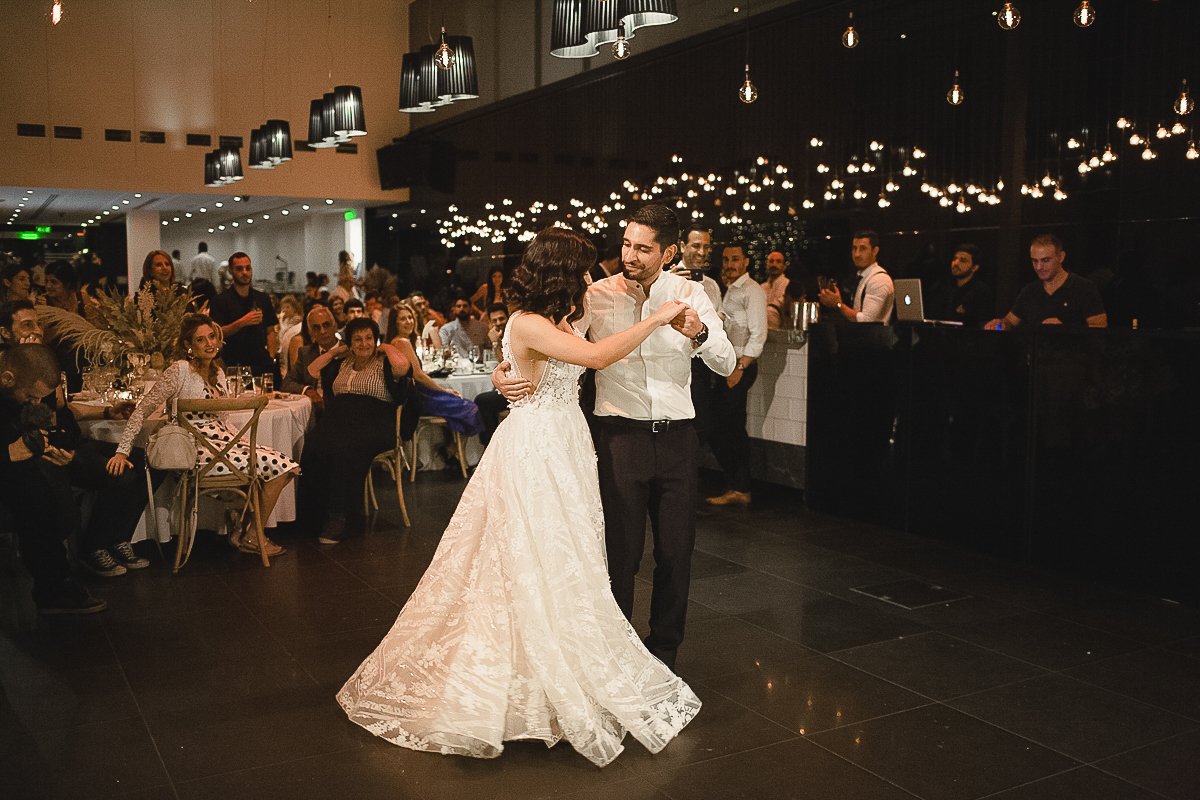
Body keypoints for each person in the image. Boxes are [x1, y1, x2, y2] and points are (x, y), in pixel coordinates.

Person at [337, 226, 702, 766]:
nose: (589, 278)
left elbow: (559, 354)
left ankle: (546, 673)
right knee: (528, 560)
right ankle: (517, 681)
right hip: (537, 450)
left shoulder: (558, 319)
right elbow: (597, 358)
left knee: (564, 559)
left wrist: (505, 370)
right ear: (560, 274)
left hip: (566, 443)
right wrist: (654, 317)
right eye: (580, 270)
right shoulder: (530, 322)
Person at [496, 204, 735, 670]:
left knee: (675, 553)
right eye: (626, 243)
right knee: (617, 553)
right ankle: (617, 651)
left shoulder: (691, 294)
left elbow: (726, 363)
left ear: (668, 253)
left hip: (676, 439)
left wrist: (700, 331)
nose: (630, 255)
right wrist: (501, 373)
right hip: (617, 437)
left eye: (643, 248)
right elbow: (549, 339)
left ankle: (664, 649)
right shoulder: (596, 294)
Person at [107, 314, 299, 557]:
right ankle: (250, 532)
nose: (210, 344)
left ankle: (244, 525)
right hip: (193, 452)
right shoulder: (179, 370)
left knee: (286, 468)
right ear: (189, 345)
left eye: (212, 337)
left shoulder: (218, 372)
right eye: (201, 340)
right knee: (281, 468)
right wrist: (122, 451)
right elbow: (142, 409)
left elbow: (222, 420)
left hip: (222, 444)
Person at [0, 344, 106, 613]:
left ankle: (58, 584)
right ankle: (55, 586)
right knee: (34, 495)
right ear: (7, 379)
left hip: (25, 470)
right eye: (30, 397)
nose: (36, 402)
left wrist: (63, 450)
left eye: (41, 398)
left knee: (45, 490)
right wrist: (8, 453)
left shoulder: (37, 391)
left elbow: (61, 425)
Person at [301, 317, 412, 544]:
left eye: (369, 338)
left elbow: (403, 366)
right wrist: (334, 352)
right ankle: (312, 518)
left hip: (375, 424)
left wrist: (386, 346)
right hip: (340, 422)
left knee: (346, 449)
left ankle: (339, 518)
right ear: (350, 343)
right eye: (358, 339)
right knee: (314, 444)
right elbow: (311, 370)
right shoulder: (342, 362)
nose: (364, 344)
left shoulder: (385, 362)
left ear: (376, 340)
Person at [706, 241, 768, 506]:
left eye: (735, 260)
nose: (730, 264)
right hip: (727, 365)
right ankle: (736, 485)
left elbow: (759, 333)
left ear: (746, 263)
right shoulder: (730, 289)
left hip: (740, 366)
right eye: (726, 259)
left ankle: (740, 487)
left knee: (730, 428)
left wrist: (740, 367)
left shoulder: (752, 291)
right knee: (722, 428)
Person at [986, 234, 1108, 329]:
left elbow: (1099, 327)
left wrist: (1064, 330)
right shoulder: (1030, 291)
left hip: (1073, 358)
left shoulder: (1084, 288)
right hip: (1036, 358)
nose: (1039, 267)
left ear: (1061, 257)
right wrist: (999, 324)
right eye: (1034, 261)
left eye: (1045, 260)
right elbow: (1010, 322)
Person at [209, 252, 280, 376]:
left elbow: (270, 331)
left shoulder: (262, 298)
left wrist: (271, 357)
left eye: (248, 268)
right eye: (239, 269)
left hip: (262, 362)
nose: (245, 272)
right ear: (231, 271)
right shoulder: (220, 301)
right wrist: (243, 322)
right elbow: (218, 333)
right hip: (234, 363)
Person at [818, 230, 895, 323]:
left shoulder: (879, 280)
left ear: (875, 251)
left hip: (875, 336)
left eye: (863, 248)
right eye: (854, 248)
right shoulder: (862, 277)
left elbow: (867, 321)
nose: (857, 254)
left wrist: (838, 304)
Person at [474, 303, 511, 446]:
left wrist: (495, 343)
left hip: (519, 388)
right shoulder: (501, 335)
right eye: (494, 321)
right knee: (484, 401)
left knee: (482, 401)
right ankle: (492, 445)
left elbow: (506, 365)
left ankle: (490, 446)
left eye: (501, 319)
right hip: (507, 384)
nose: (498, 323)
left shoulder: (512, 334)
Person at [941, 244, 994, 328]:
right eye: (954, 259)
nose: (956, 263)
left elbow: (983, 324)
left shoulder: (981, 291)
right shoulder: (946, 288)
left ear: (974, 267)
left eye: (963, 260)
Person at [760, 250, 791, 329]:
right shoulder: (762, 287)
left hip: (780, 332)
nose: (774, 264)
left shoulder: (788, 285)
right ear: (766, 265)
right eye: (771, 261)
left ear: (784, 266)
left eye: (778, 261)